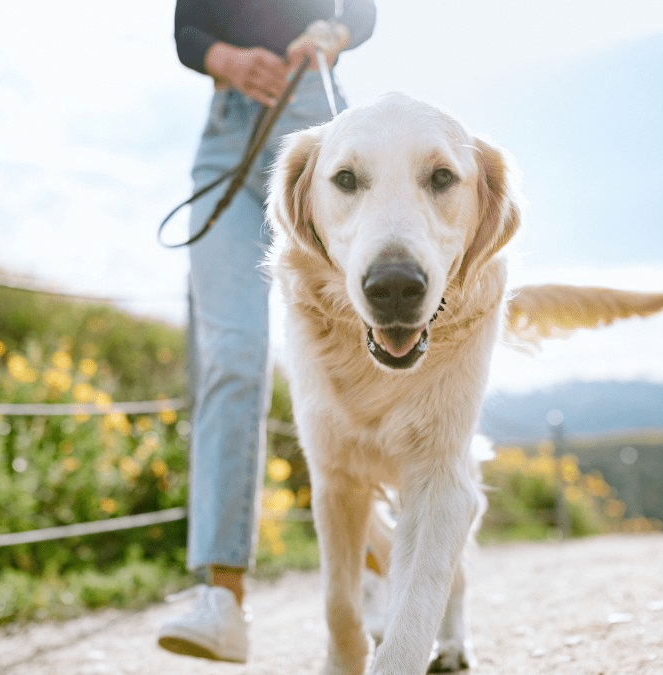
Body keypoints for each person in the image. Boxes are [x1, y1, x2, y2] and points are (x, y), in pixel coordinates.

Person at [159, 0, 376, 664]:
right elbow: (187, 29)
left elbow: (362, 12)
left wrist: (328, 37)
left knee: (351, 345)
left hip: (314, 119)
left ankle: (383, 549)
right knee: (232, 351)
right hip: (226, 135)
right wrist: (225, 60)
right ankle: (223, 597)